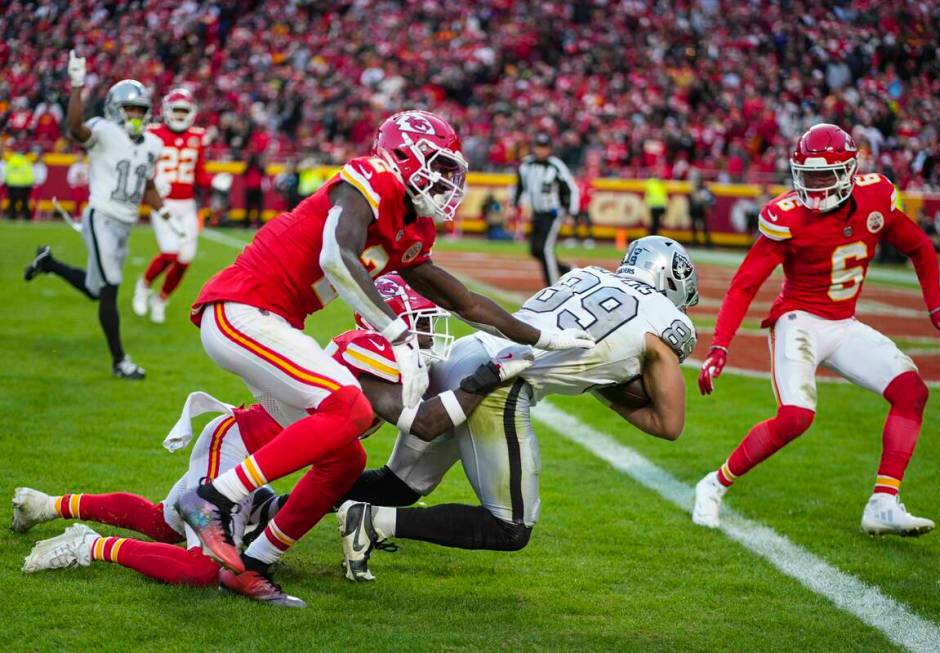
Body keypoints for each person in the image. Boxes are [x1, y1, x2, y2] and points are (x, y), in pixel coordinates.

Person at [174, 110, 593, 598]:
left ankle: (253, 562)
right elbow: (336, 254)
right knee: (349, 407)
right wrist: (397, 334)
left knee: (344, 458)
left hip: (274, 322)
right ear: (402, 155)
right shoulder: (372, 176)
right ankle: (211, 498)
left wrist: (541, 338)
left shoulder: (410, 228)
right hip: (241, 307)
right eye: (437, 165)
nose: (444, 182)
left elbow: (466, 302)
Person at [13, 274, 533, 607]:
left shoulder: (391, 357)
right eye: (421, 321)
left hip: (258, 452)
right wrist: (484, 380)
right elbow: (419, 423)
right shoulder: (371, 351)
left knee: (163, 520)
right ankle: (89, 546)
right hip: (237, 445)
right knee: (197, 569)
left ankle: (48, 504)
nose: (428, 333)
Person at [336, 236, 699, 581]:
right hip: (499, 380)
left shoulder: (586, 274)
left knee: (398, 485)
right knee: (510, 527)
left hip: (463, 351)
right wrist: (604, 387)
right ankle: (372, 522)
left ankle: (280, 510)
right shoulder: (666, 320)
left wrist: (596, 376)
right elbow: (669, 424)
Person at [693, 124, 940, 535]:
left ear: (850, 171)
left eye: (824, 176)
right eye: (808, 176)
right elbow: (745, 283)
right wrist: (719, 346)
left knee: (912, 392)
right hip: (799, 319)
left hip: (843, 324)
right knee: (796, 418)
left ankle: (883, 502)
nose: (815, 185)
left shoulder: (876, 195)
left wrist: (936, 306)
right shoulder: (786, 216)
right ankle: (713, 485)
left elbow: (919, 247)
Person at [23, 51, 171, 379]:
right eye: (129, 109)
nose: (134, 115)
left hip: (125, 223)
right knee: (111, 287)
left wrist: (165, 211)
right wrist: (77, 85)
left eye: (139, 110)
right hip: (101, 216)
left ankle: (48, 263)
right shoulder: (103, 131)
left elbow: (146, 183)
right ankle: (120, 361)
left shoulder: (152, 145)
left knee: (95, 288)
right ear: (115, 110)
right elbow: (75, 127)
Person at [133, 88, 214, 324]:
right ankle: (144, 284)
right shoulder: (152, 133)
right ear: (167, 111)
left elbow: (200, 176)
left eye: (183, 111)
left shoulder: (197, 137)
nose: (179, 115)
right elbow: (139, 165)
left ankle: (161, 299)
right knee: (170, 252)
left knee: (185, 258)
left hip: (187, 205)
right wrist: (152, 179)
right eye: (176, 110)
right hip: (163, 203)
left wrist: (215, 181)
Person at [513, 133, 580, 285]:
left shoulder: (556, 165)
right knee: (535, 250)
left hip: (553, 213)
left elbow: (571, 189)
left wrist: (571, 213)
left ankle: (552, 286)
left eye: (544, 147)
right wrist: (514, 205)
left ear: (550, 149)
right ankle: (567, 270)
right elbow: (519, 187)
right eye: (538, 147)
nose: (541, 151)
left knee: (545, 249)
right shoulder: (526, 165)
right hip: (537, 213)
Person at [4, 146, 34, 220]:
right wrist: (29, 185)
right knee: (24, 201)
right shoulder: (26, 161)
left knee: (12, 202)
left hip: (12, 184)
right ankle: (27, 216)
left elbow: (6, 172)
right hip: (23, 185)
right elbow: (29, 173)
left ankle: (12, 216)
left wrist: (7, 182)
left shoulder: (11, 160)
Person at [688, 171, 713, 248]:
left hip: (700, 209)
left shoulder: (703, 189)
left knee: (703, 226)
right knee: (695, 226)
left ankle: (707, 242)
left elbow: (708, 199)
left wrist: (706, 206)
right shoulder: (695, 188)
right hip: (695, 209)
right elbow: (692, 199)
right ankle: (695, 241)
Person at [241, 152, 265, 227]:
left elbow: (264, 173)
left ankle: (255, 223)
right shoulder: (249, 168)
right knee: (249, 207)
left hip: (256, 189)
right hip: (251, 189)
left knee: (258, 207)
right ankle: (247, 223)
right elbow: (243, 174)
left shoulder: (259, 168)